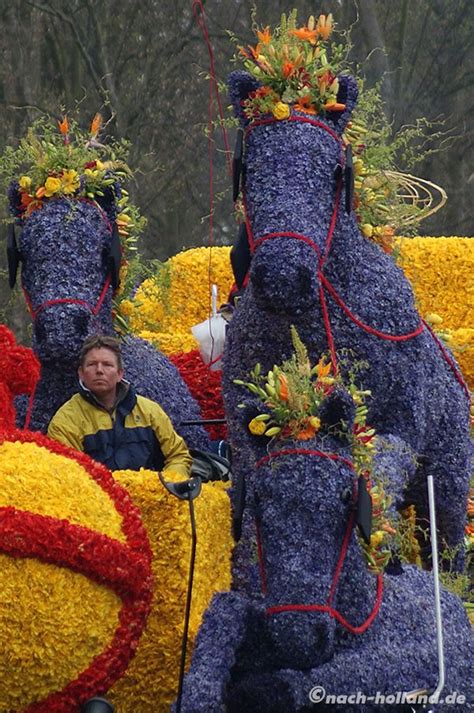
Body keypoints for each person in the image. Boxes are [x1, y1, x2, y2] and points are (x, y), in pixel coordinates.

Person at [48, 335, 192, 476]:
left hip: (149, 495)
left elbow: (178, 456)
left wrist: (168, 483)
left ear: (119, 374)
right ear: (81, 373)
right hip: (97, 496)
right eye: (92, 364)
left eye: (107, 364)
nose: (99, 370)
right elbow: (67, 472)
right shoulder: (66, 420)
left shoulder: (149, 411)